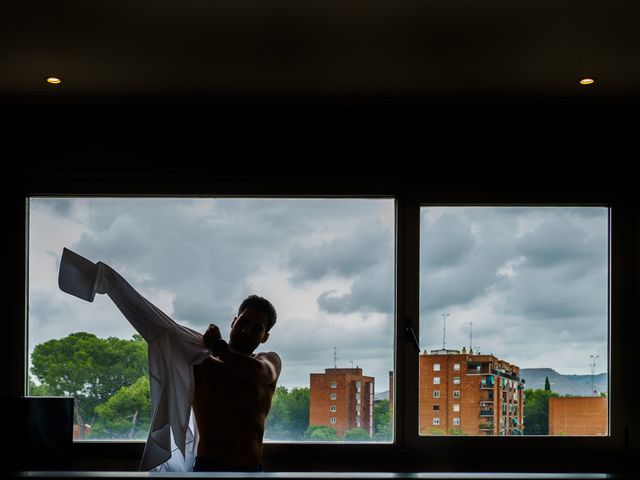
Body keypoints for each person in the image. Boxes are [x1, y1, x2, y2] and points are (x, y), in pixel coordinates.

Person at [57, 248, 281, 472]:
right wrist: (106, 280)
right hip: (209, 469)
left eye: (256, 328)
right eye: (244, 322)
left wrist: (219, 347)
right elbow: (156, 325)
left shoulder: (269, 362)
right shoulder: (202, 362)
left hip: (252, 471)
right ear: (233, 322)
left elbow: (258, 373)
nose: (246, 330)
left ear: (265, 337)